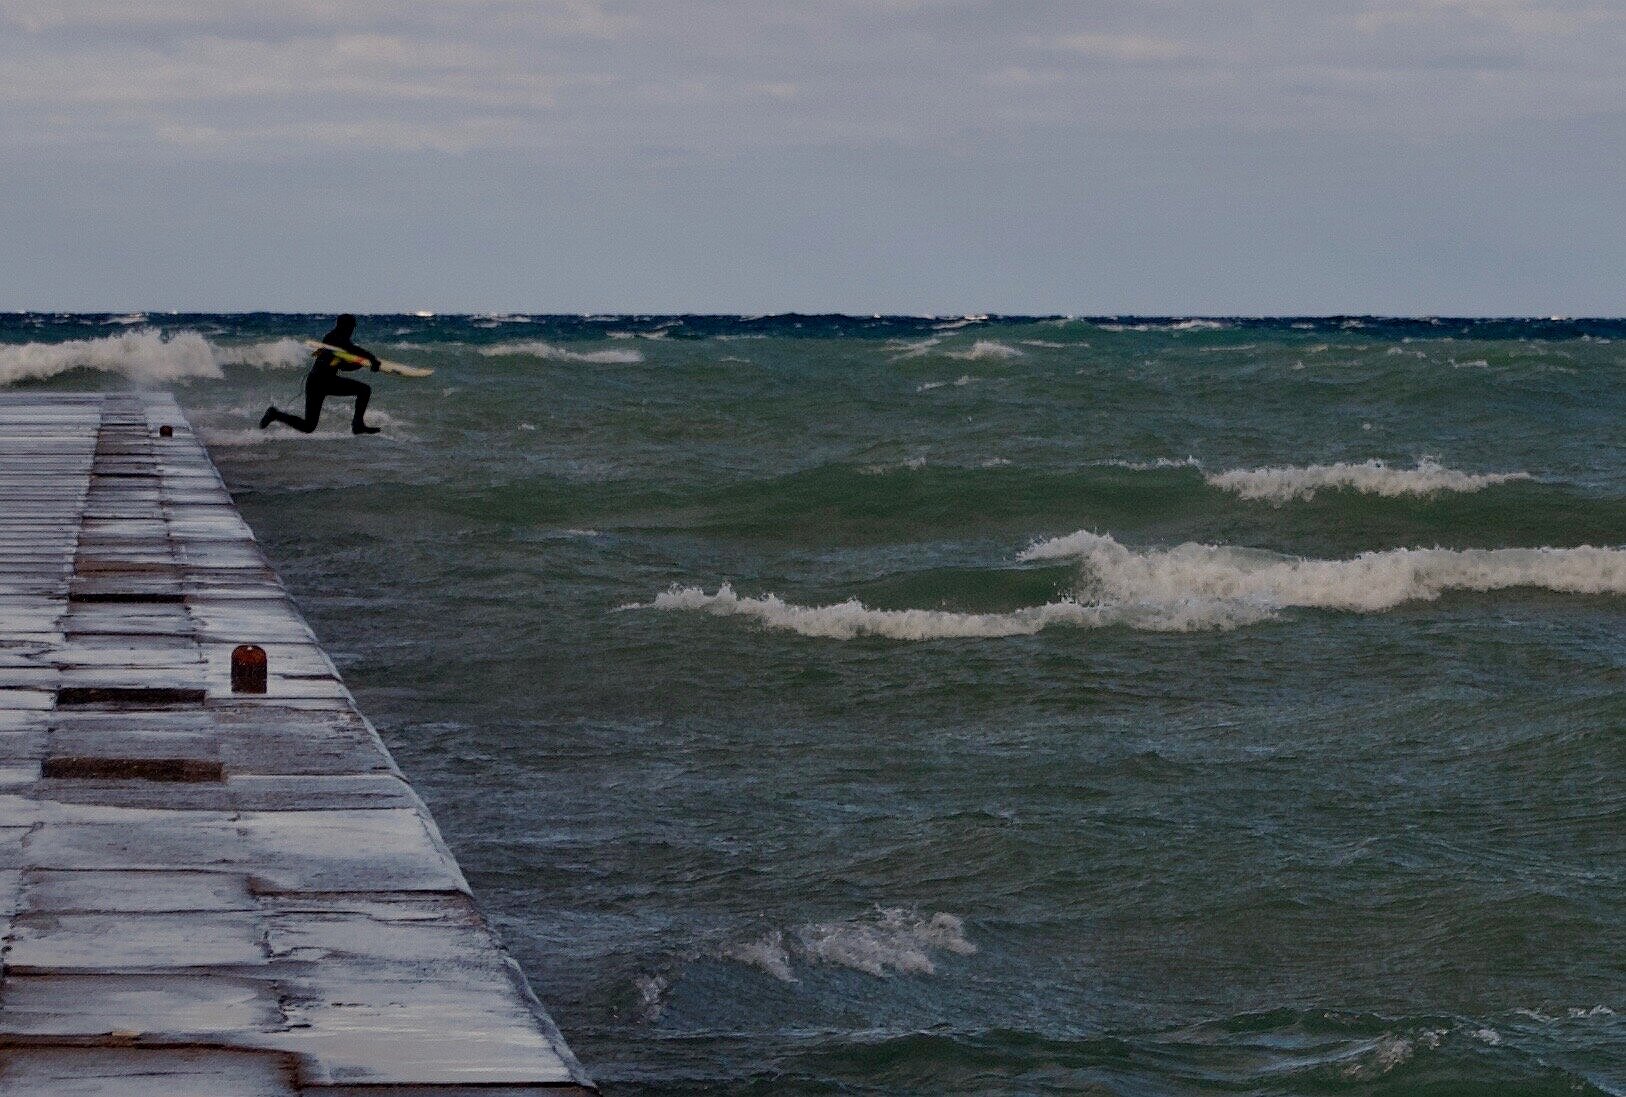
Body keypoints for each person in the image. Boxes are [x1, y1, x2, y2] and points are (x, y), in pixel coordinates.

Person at [260, 314, 382, 435]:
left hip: (327, 381)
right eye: (350, 328)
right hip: (317, 383)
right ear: (343, 326)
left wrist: (363, 364)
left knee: (364, 390)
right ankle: (275, 414)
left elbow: (343, 364)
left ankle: (358, 424)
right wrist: (371, 359)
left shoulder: (341, 341)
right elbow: (350, 353)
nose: (351, 331)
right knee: (309, 426)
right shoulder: (332, 339)